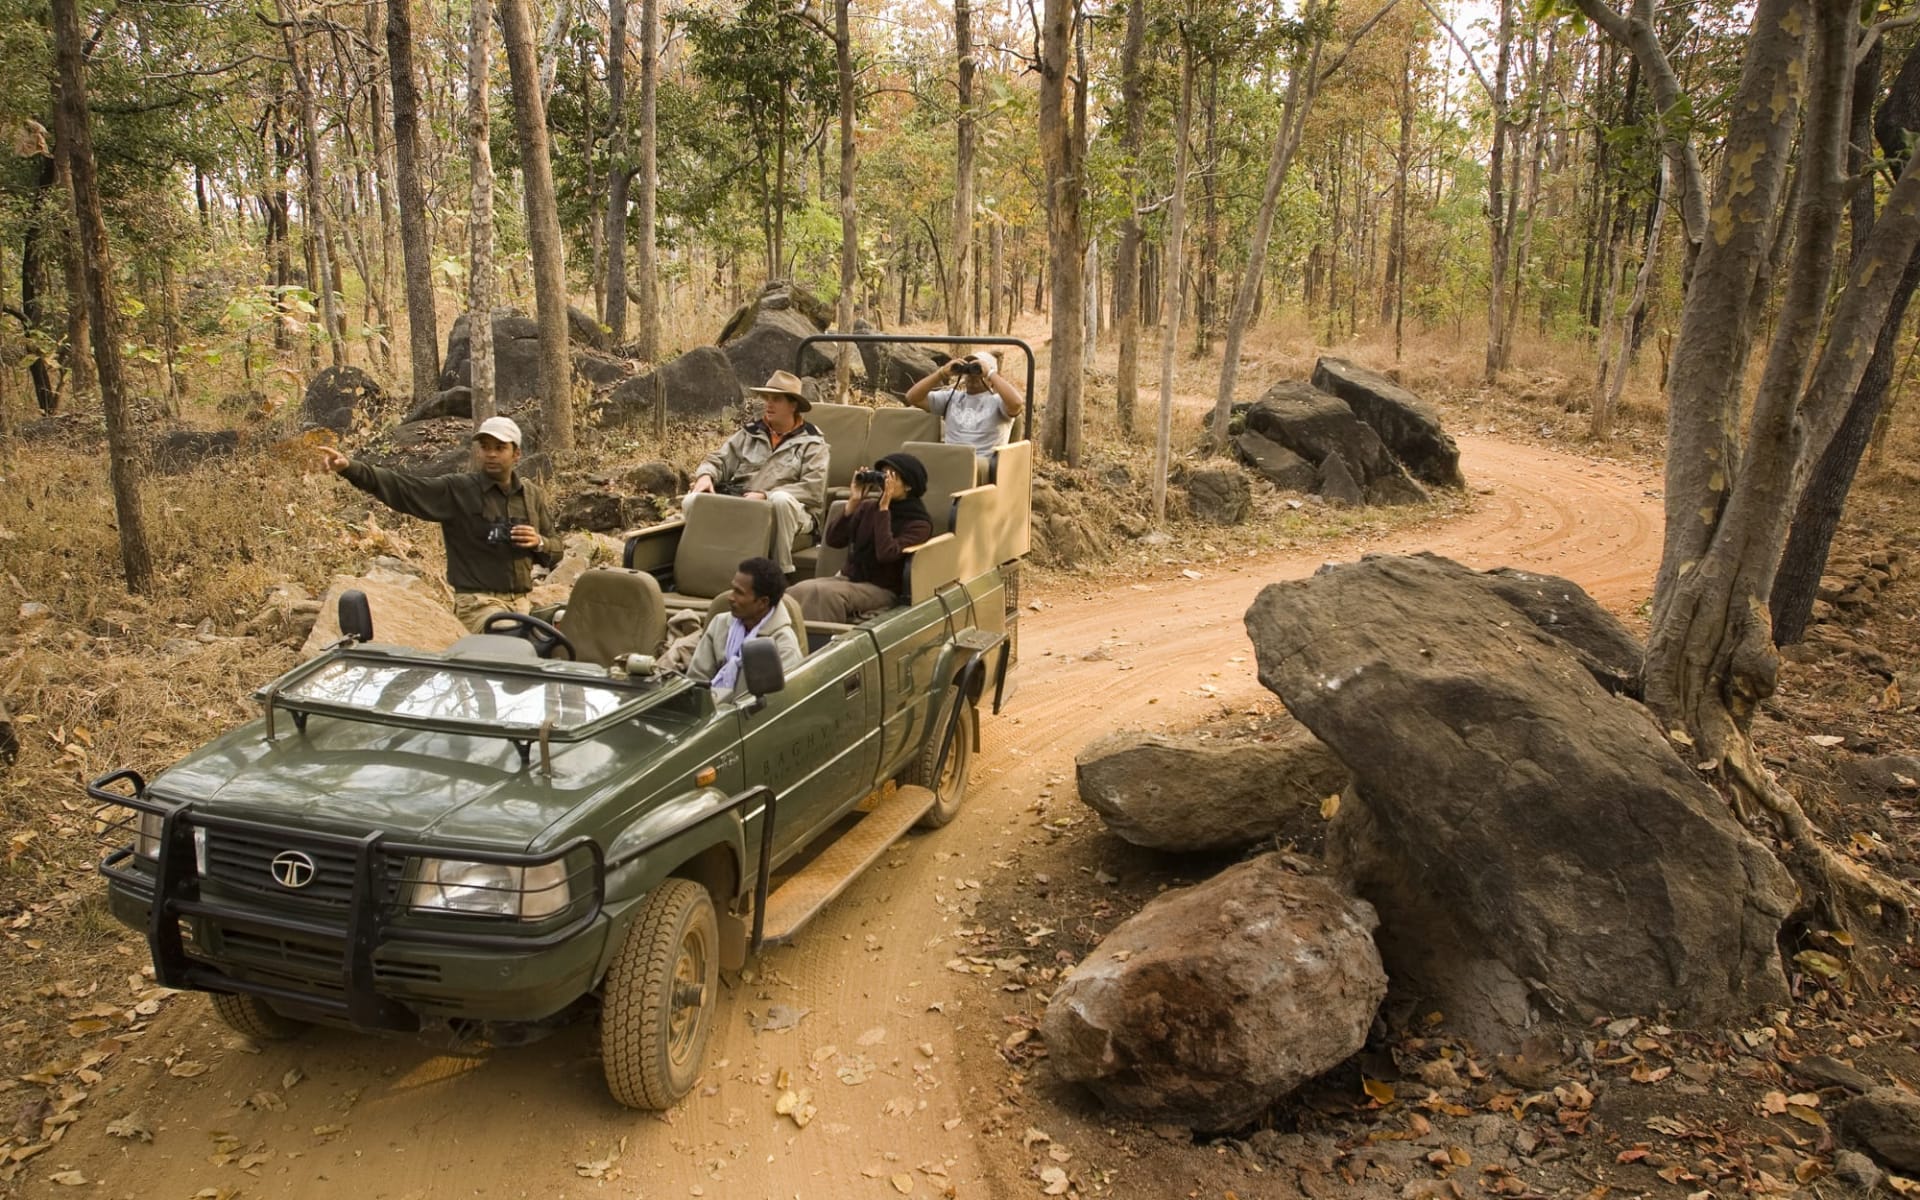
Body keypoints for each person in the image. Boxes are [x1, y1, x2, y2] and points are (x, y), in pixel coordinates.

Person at [319, 415, 561, 633]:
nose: (491, 454)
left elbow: (556, 551)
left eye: (500, 448)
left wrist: (539, 542)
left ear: (516, 454)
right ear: (478, 452)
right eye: (485, 448)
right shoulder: (459, 489)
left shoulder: (531, 495)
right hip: (478, 605)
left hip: (522, 603)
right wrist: (350, 468)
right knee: (510, 641)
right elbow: (404, 488)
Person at [687, 370, 828, 574]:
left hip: (794, 512)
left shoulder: (813, 443)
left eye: (776, 399)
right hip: (743, 501)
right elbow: (719, 459)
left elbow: (813, 489)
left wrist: (765, 495)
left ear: (793, 405)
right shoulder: (751, 432)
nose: (768, 404)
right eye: (767, 398)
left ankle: (781, 573)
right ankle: (698, 569)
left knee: (781, 500)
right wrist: (705, 475)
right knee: (692, 500)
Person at [788, 453, 933, 623]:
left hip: (883, 589)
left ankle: (819, 645)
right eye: (882, 476)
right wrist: (853, 502)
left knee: (823, 595)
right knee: (796, 591)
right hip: (850, 579)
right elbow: (834, 540)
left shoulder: (919, 523)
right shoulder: (868, 507)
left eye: (891, 477)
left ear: (908, 486)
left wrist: (884, 509)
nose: (884, 483)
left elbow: (886, 553)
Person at [685, 557, 805, 698]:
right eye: (732, 589)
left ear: (762, 602)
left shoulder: (783, 645)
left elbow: (777, 701)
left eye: (739, 592)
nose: (730, 597)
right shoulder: (720, 623)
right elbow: (696, 679)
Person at [903, 350, 1024, 457]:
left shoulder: (998, 401)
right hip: (950, 459)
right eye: (969, 370)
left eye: (977, 370)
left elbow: (1017, 403)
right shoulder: (951, 398)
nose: (972, 375)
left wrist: (990, 373)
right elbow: (912, 397)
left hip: (981, 462)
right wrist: (941, 373)